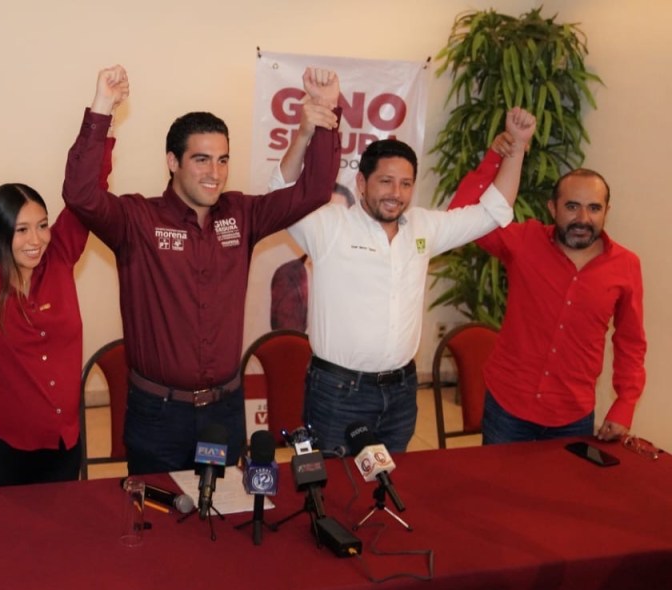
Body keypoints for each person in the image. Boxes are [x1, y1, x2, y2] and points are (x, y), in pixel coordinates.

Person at [62, 65, 343, 474]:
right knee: (158, 511)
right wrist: (102, 106)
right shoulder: (137, 219)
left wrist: (325, 115)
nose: (215, 173)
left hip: (223, 412)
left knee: (223, 510)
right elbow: (81, 194)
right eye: (201, 160)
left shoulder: (242, 214)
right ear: (172, 161)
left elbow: (313, 191)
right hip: (157, 415)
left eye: (223, 160)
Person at [271, 107, 536, 455]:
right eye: (386, 181)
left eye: (406, 184)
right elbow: (280, 192)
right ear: (361, 183)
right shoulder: (329, 225)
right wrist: (305, 132)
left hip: (401, 392)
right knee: (335, 482)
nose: (396, 193)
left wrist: (517, 146)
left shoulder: (424, 227)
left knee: (393, 479)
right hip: (338, 392)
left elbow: (493, 211)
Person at [0, 88, 116, 488]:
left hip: (61, 447)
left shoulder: (59, 258)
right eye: (22, 230)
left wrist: (102, 109)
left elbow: (88, 190)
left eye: (43, 225)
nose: (37, 240)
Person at [449, 151, 646, 443]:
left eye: (594, 208)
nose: (583, 219)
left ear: (607, 211)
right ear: (553, 208)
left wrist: (625, 404)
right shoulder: (525, 241)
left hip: (573, 415)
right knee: (499, 477)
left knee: (563, 478)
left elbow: (630, 342)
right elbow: (460, 217)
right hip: (508, 409)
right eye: (572, 206)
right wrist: (498, 156)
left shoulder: (626, 265)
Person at [270, 183, 355, 332]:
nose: (329, 229)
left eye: (338, 221)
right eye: (323, 219)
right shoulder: (289, 275)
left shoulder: (363, 271)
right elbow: (288, 337)